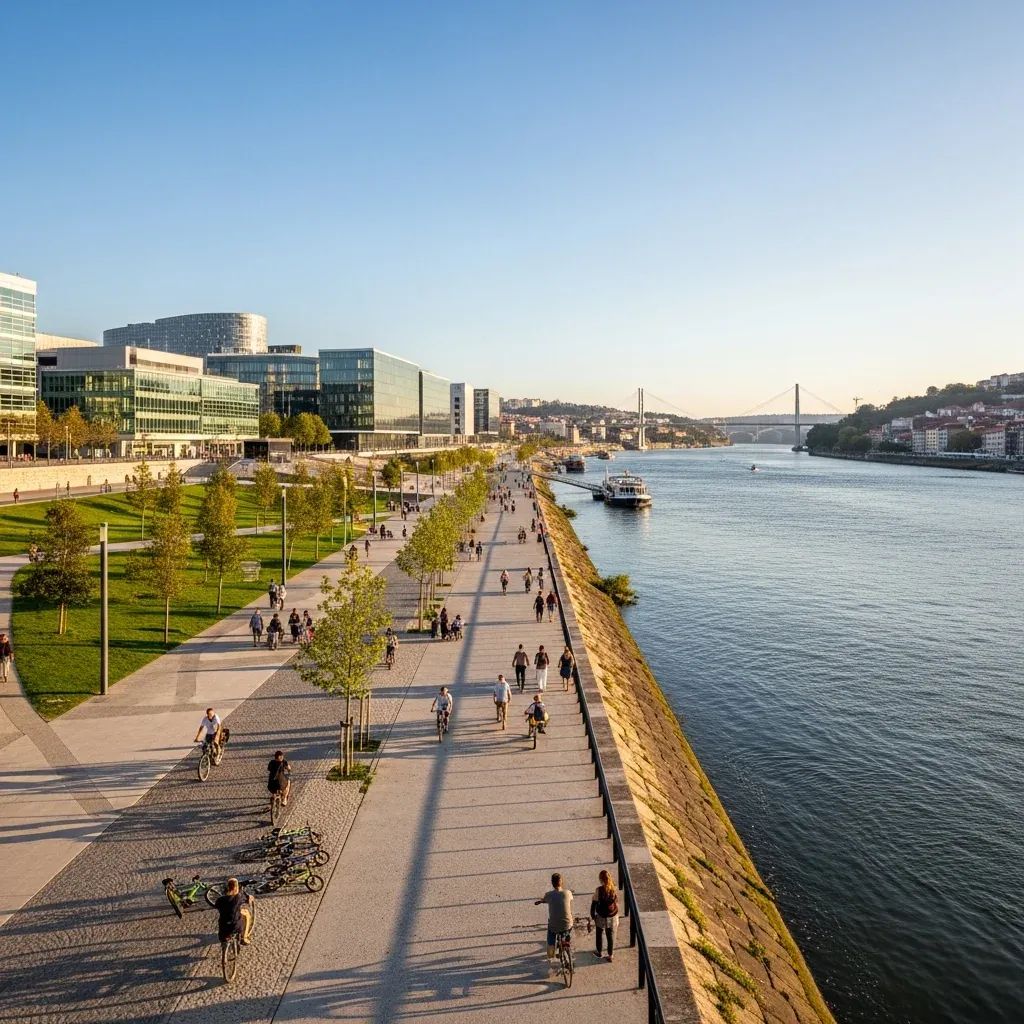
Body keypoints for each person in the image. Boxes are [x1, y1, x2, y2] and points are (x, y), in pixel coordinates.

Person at [535, 873, 573, 964]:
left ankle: (551, 953)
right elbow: (570, 899)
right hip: (567, 924)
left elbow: (544, 900)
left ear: (552, 883)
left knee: (551, 933)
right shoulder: (568, 893)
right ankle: (566, 942)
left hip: (554, 925)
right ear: (561, 882)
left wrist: (540, 901)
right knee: (569, 926)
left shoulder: (549, 895)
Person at [215, 878, 255, 947]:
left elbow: (217, 906)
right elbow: (247, 899)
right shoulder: (239, 897)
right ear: (236, 887)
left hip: (223, 926)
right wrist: (251, 897)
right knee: (247, 915)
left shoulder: (220, 899)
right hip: (235, 926)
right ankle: (244, 938)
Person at [590, 869, 620, 962]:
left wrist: (592, 914)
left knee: (599, 933)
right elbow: (616, 901)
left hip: (601, 915)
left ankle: (599, 952)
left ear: (601, 879)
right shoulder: (614, 888)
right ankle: (610, 955)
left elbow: (594, 902)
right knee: (610, 935)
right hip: (612, 915)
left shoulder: (599, 890)